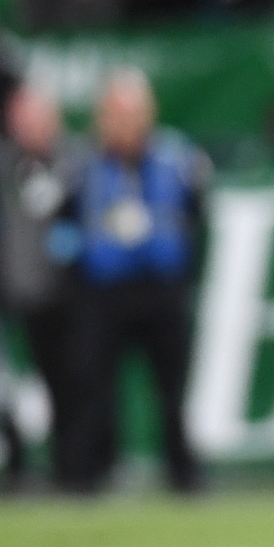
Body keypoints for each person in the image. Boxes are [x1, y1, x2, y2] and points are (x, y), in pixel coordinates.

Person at [65, 68, 208, 493]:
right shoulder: (82, 165)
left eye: (133, 112)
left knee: (172, 388)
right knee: (95, 388)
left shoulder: (178, 159)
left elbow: (199, 218)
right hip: (105, 290)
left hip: (160, 288)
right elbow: (64, 223)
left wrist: (184, 276)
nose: (126, 123)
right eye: (116, 113)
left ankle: (182, 473)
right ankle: (91, 473)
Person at [0, 85, 82, 487]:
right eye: (23, 118)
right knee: (4, 383)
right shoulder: (0, 165)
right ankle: (16, 467)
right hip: (9, 293)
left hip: (64, 297)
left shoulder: (74, 162)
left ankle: (73, 468)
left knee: (69, 385)